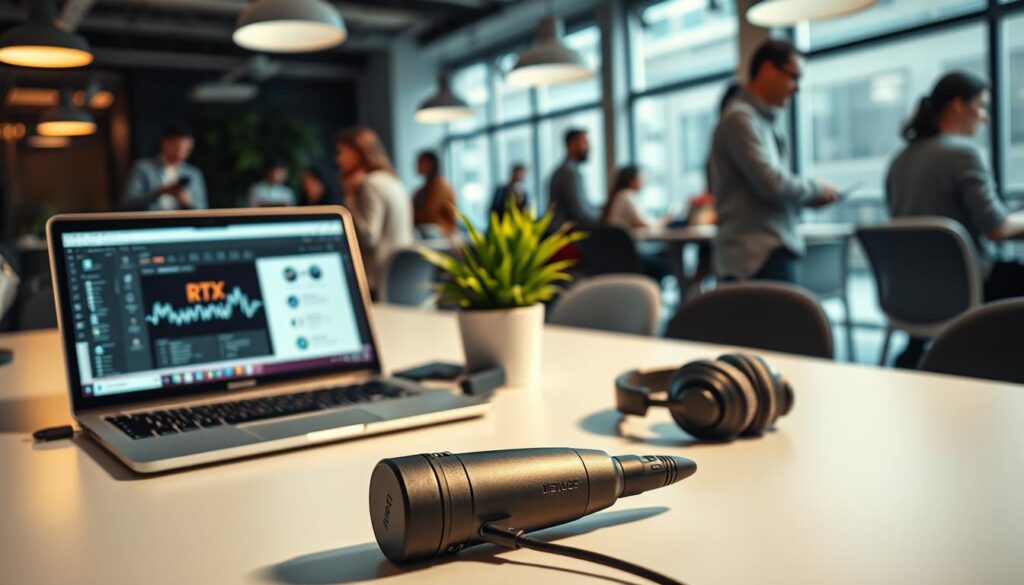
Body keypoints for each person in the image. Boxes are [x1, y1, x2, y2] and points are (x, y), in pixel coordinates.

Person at [886, 71, 1024, 367]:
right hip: (966, 291)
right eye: (981, 106)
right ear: (958, 105)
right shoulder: (963, 153)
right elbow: (997, 227)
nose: (985, 117)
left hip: (910, 296)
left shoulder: (898, 161)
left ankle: (919, 356)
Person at [708, 40, 839, 283]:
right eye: (794, 77)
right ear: (768, 69)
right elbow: (770, 183)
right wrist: (815, 188)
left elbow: (765, 193)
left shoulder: (761, 121)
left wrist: (807, 201)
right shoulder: (740, 119)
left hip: (765, 251)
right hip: (754, 258)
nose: (797, 88)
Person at [335, 126, 413, 293]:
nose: (338, 160)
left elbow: (368, 238)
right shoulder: (393, 181)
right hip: (400, 279)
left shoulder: (370, 184)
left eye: (342, 152)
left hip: (375, 281)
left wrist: (349, 198)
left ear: (358, 152)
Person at [123, 124, 207, 211]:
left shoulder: (193, 173)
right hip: (151, 222)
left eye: (187, 149)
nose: (181, 154)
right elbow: (128, 203)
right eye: (178, 147)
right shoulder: (143, 168)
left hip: (181, 222)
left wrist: (187, 203)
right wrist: (159, 192)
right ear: (165, 143)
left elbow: (202, 208)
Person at [548, 128, 596, 228]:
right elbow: (579, 212)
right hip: (567, 236)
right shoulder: (568, 173)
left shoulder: (568, 170)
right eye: (584, 142)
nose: (589, 147)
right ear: (572, 145)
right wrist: (607, 219)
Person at [601, 166, 668, 230]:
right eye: (641, 178)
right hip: (620, 240)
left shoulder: (620, 195)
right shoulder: (626, 195)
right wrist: (665, 220)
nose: (644, 181)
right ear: (632, 180)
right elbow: (643, 223)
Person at [411, 150, 457, 236]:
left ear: (430, 164)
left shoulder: (440, 186)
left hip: (442, 234)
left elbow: (429, 214)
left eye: (421, 162)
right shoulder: (422, 189)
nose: (416, 165)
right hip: (427, 233)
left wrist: (414, 214)